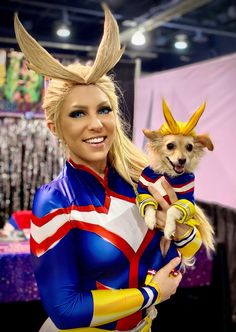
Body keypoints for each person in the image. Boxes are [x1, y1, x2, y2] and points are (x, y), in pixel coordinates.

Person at [14, 4, 203, 332]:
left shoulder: (143, 177)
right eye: (77, 114)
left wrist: (182, 230)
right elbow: (66, 309)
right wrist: (152, 292)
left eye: (103, 110)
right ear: (53, 127)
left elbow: (191, 245)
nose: (96, 124)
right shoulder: (54, 200)